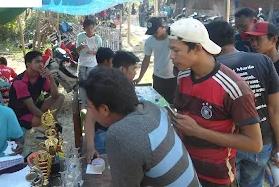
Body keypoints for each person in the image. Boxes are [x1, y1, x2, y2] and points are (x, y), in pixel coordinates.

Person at [169, 18, 263, 187]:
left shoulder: (234, 88)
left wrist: (198, 131)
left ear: (197, 48)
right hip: (185, 168)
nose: (171, 56)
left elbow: (254, 144)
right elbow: (184, 118)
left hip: (217, 178)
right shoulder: (182, 76)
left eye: (176, 50)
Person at [84, 67, 201, 187]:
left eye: (90, 107)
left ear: (104, 109)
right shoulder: (151, 108)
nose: (90, 113)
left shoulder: (119, 135)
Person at [206, 21, 279, 187]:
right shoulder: (263, 61)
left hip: (229, 142)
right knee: (253, 183)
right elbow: (275, 109)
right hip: (262, 141)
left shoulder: (211, 69)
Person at [85, 51, 139, 163]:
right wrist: (90, 148)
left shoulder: (128, 87)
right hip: (104, 135)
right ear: (122, 70)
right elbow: (90, 119)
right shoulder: (103, 86)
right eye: (133, 69)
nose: (135, 73)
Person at [8, 51, 64, 129]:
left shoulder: (41, 76)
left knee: (60, 97)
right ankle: (49, 125)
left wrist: (51, 77)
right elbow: (31, 107)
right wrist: (47, 119)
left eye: (41, 61)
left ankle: (50, 124)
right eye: (37, 62)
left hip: (34, 106)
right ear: (28, 64)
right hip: (20, 113)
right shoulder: (20, 82)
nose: (41, 64)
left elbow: (55, 95)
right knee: (41, 121)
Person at [134, 17, 176, 104]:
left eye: (156, 32)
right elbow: (146, 60)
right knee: (158, 103)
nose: (154, 35)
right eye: (152, 33)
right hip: (158, 78)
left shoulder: (172, 39)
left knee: (172, 104)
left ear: (162, 27)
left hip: (173, 78)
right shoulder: (149, 42)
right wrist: (140, 77)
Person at [76, 19, 103, 109]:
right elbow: (76, 50)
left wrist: (94, 52)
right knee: (82, 81)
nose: (90, 30)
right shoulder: (80, 37)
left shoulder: (97, 38)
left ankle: (91, 100)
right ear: (84, 29)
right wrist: (80, 47)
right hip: (83, 62)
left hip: (93, 63)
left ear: (94, 27)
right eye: (88, 29)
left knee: (91, 81)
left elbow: (100, 52)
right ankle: (83, 101)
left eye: (92, 28)